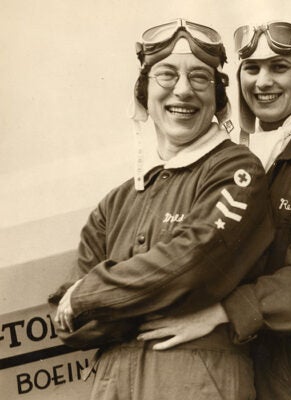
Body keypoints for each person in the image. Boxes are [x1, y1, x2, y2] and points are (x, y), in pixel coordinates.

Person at [137, 20, 291, 399]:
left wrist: (218, 314)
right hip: (225, 363)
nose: (263, 82)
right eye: (252, 69)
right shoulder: (223, 157)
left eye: (279, 67)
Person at [49, 18, 273, 400]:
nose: (183, 91)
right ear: (144, 92)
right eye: (167, 75)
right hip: (113, 381)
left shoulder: (237, 170)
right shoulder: (116, 202)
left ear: (218, 96)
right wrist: (101, 300)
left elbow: (190, 263)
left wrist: (92, 296)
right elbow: (69, 323)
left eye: (200, 78)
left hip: (197, 377)